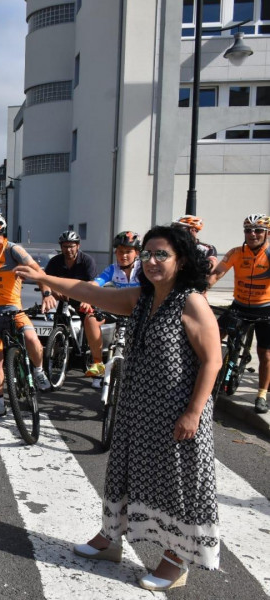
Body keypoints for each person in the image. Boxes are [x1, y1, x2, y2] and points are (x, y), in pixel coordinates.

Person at [17, 225, 221, 591]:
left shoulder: (191, 301)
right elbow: (88, 291)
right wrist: (44, 277)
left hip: (177, 414)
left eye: (162, 254)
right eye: (147, 254)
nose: (152, 261)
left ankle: (176, 560)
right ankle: (109, 539)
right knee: (126, 475)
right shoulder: (142, 297)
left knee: (175, 485)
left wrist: (193, 412)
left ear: (182, 260)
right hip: (138, 410)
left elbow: (212, 362)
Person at [0, 213, 51, 419]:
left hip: (11, 308)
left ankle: (39, 371)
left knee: (32, 338)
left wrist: (47, 292)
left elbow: (37, 271)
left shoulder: (14, 250)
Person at [208, 213, 270, 414]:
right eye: (248, 230)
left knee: (265, 354)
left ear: (267, 233)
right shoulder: (236, 252)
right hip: (240, 304)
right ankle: (204, 376)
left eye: (258, 230)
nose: (252, 234)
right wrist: (200, 291)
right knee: (212, 337)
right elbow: (217, 273)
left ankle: (261, 394)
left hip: (265, 308)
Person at [40, 230, 105, 379]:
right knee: (58, 322)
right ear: (61, 247)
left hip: (85, 297)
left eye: (71, 246)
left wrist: (87, 300)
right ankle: (58, 351)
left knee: (90, 320)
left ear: (78, 246)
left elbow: (92, 284)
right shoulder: (55, 262)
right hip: (64, 298)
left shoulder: (87, 261)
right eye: (65, 246)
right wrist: (49, 294)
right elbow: (45, 280)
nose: (68, 250)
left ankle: (98, 365)